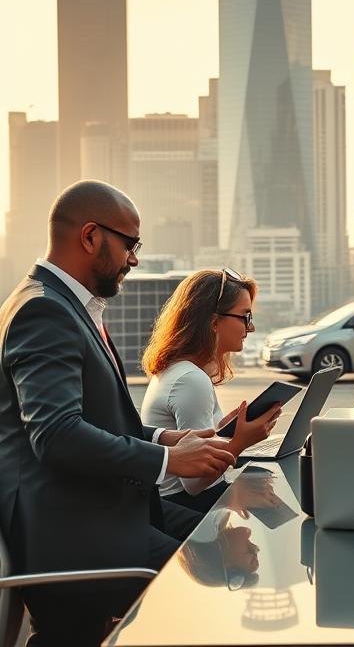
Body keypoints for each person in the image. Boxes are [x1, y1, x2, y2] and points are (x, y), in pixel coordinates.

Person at [0, 181, 236, 646]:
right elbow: (57, 435)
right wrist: (169, 463)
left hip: (99, 513)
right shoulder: (44, 311)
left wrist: (166, 441)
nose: (135, 258)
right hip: (72, 535)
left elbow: (93, 421)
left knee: (217, 539)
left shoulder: (66, 305)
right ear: (90, 237)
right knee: (202, 584)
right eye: (131, 244)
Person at [141, 269, 282, 513]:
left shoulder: (179, 371)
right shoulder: (191, 379)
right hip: (184, 511)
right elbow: (196, 483)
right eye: (245, 317)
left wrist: (222, 434)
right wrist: (239, 442)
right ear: (214, 322)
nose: (251, 328)